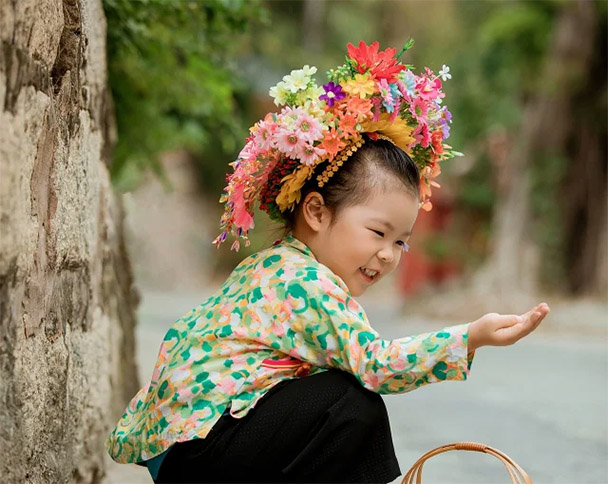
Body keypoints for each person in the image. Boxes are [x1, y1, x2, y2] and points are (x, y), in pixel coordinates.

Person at [106, 41, 550, 483]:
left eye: (401, 242)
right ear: (317, 211)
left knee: (340, 399)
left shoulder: (273, 265)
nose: (387, 254)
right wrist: (470, 337)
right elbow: (376, 365)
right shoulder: (305, 283)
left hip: (194, 451)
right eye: (378, 233)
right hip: (203, 452)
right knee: (352, 405)